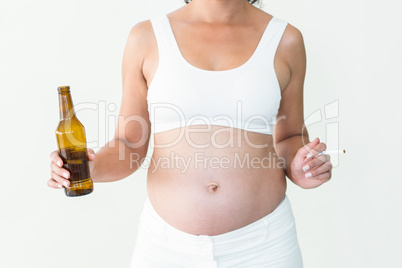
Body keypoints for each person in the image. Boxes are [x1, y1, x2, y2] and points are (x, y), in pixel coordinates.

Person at [48, 0, 333, 266]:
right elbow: (128, 145)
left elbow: (290, 137)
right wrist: (90, 167)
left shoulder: (286, 40)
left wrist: (301, 167)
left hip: (264, 246)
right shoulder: (146, 37)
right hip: (165, 248)